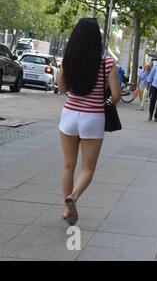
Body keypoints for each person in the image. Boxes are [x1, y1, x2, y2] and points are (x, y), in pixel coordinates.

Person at [57, 18, 120, 226]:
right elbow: (117, 96)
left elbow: (62, 90)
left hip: (69, 116)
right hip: (93, 117)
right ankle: (73, 197)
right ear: (98, 40)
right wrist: (106, 104)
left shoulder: (69, 60)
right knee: (87, 168)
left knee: (68, 164)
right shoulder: (107, 63)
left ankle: (67, 210)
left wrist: (63, 71)